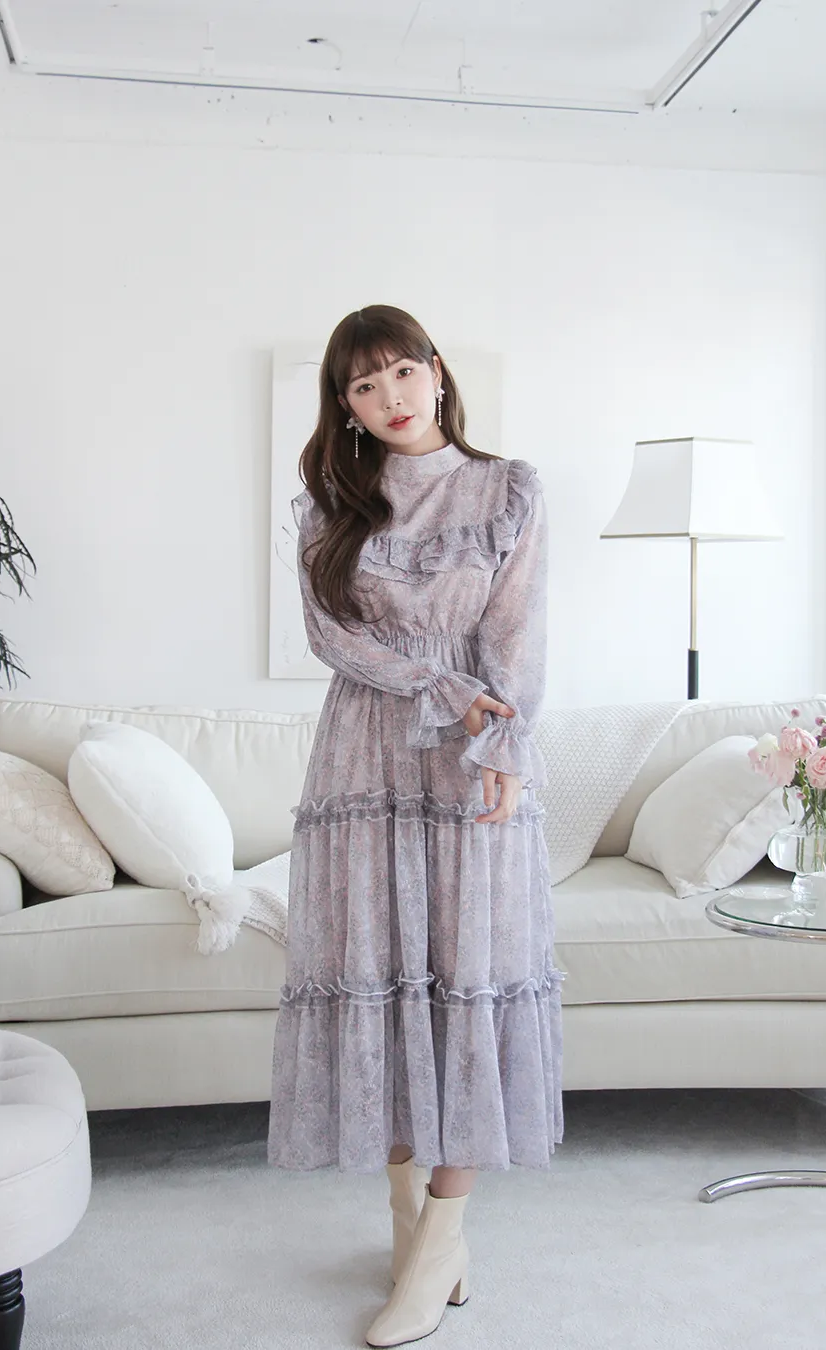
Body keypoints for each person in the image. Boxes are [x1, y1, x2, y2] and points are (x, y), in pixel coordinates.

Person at [267, 304, 563, 1348]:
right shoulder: (329, 506)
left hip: (473, 757)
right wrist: (442, 686)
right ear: (343, 406)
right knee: (384, 980)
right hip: (366, 757)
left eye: (400, 370)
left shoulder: (509, 489)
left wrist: (504, 747)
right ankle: (413, 1237)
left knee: (469, 980)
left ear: (436, 372)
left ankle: (441, 1243)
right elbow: (332, 637)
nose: (388, 396)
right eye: (362, 385)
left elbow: (516, 638)